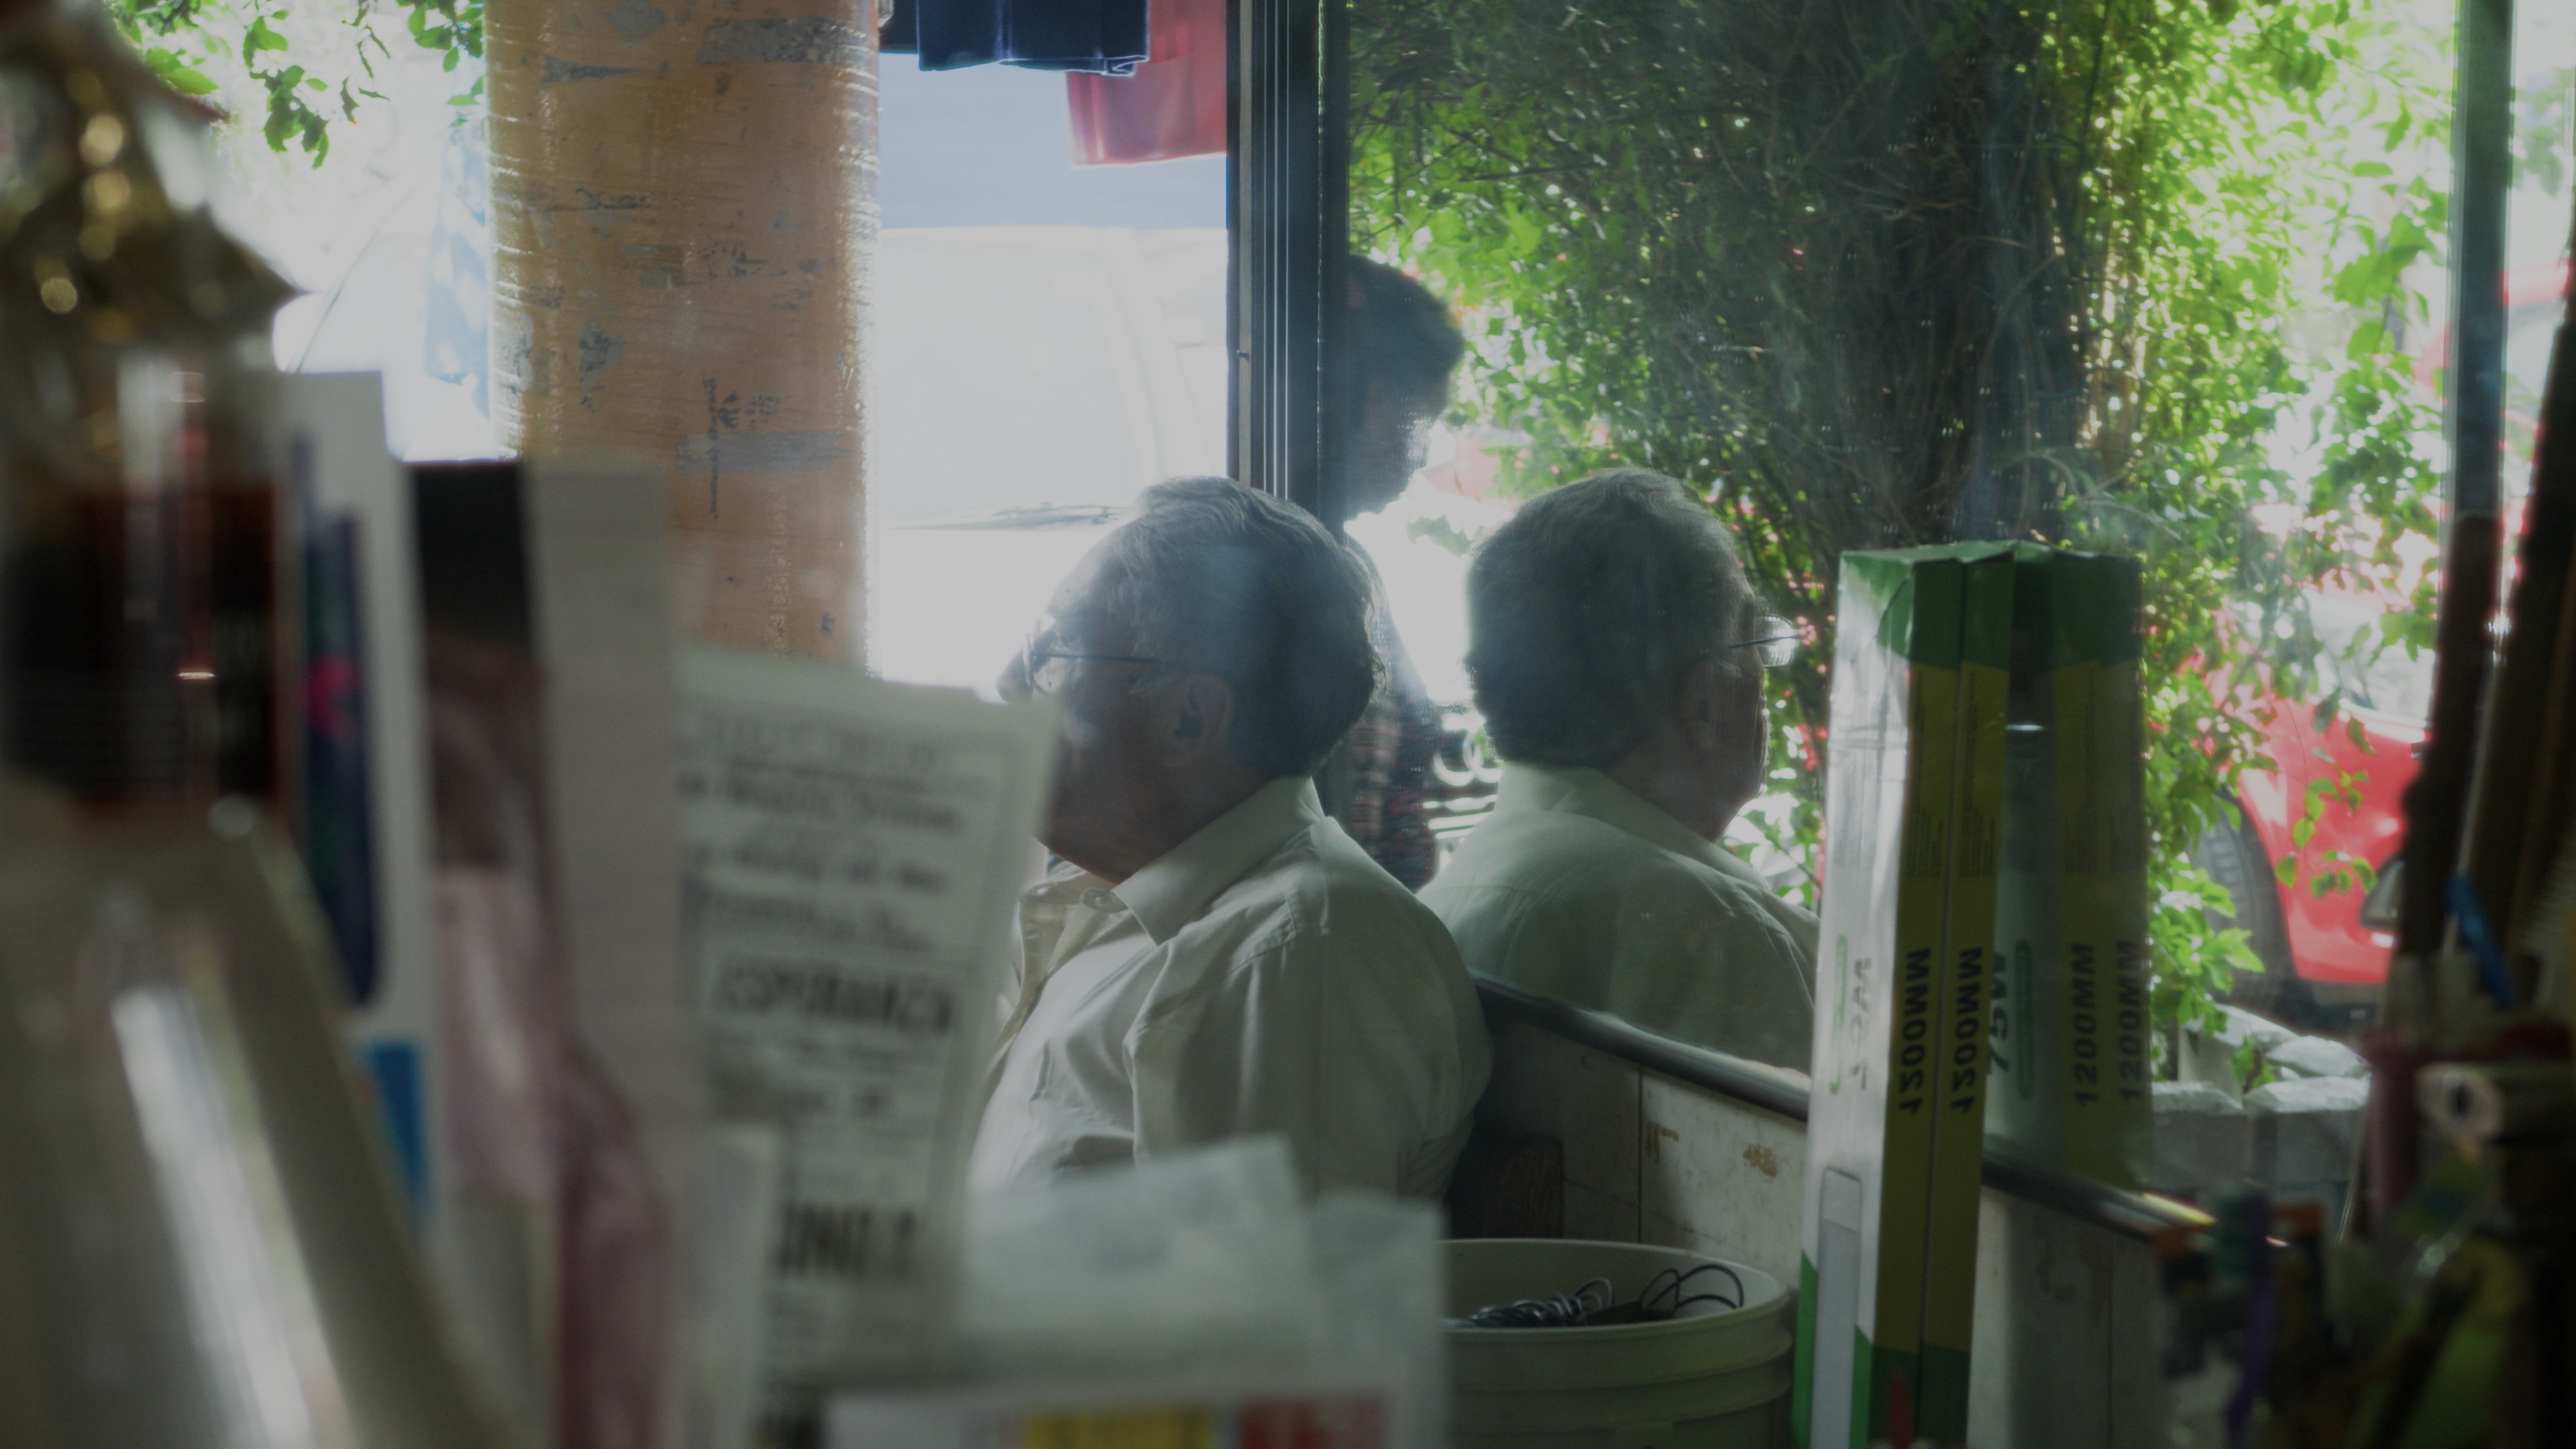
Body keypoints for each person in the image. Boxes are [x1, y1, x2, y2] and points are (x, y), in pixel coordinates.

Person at [969, 476, 1491, 1197]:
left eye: (1056, 648)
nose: (1009, 680)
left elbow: (1265, 1272)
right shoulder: (1126, 905)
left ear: (1189, 719)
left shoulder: (1296, 956)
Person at [1419, 470, 1817, 1069]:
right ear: (1704, 703)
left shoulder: (1448, 896)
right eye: (1753, 643)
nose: (1764, 679)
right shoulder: (1710, 934)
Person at [1320, 258, 1467, 891]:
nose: (1423, 452)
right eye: (1425, 420)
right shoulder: (1307, 574)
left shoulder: (1345, 562)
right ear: (1377, 399)